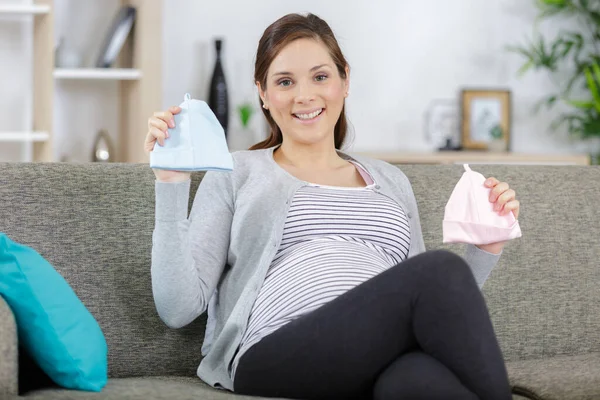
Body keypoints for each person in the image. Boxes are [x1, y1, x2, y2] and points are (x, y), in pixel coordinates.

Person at [145, 13, 519, 400]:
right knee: (440, 268)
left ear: (345, 81)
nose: (304, 95)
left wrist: (485, 250)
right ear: (263, 93)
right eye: (285, 81)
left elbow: (431, 310)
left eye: (320, 76)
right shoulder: (238, 171)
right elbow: (177, 308)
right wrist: (171, 184)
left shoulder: (391, 180)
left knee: (415, 381)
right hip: (276, 352)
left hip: (381, 354)